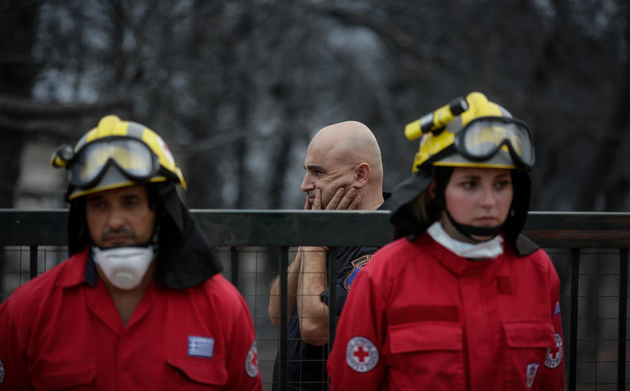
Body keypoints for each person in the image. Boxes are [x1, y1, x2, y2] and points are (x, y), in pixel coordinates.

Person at [0, 115, 262, 390]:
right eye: (100, 205)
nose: (115, 221)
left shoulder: (221, 308)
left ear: (161, 210)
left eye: (130, 202)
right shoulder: (28, 312)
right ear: (83, 215)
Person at [327, 92, 565, 390]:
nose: (489, 201)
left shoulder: (537, 271)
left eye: (502, 183)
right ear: (433, 189)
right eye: (470, 184)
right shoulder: (384, 275)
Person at [268, 121, 389, 390]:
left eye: (317, 172)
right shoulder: (325, 230)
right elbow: (277, 313)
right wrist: (309, 240)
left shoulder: (386, 244)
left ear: (360, 175)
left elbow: (316, 328)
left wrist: (314, 244)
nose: (304, 185)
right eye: (306, 171)